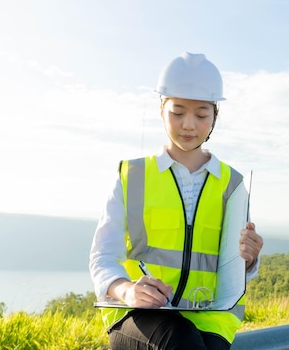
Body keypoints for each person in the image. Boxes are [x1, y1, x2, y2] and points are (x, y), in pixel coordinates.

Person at [89, 52, 264, 350]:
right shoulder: (132, 175)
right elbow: (103, 257)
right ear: (161, 110)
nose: (188, 125)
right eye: (178, 112)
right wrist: (127, 290)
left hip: (211, 319)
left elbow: (233, 268)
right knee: (180, 340)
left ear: (215, 116)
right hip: (140, 315)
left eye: (201, 114)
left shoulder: (232, 185)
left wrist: (250, 259)